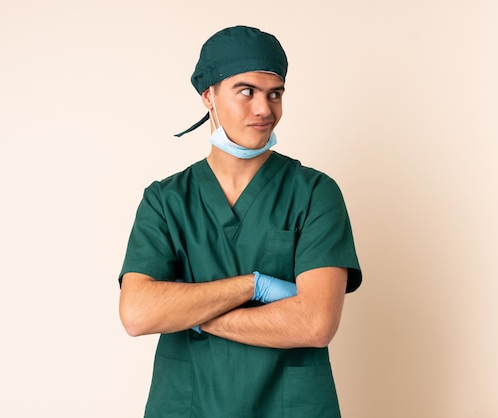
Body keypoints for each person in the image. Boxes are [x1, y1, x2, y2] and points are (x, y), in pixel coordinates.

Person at [118, 25, 362, 418]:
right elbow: (137, 314)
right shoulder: (165, 201)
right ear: (208, 95)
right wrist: (254, 285)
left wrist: (192, 312)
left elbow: (316, 323)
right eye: (246, 91)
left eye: (275, 93)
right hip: (188, 404)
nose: (265, 109)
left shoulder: (315, 193)